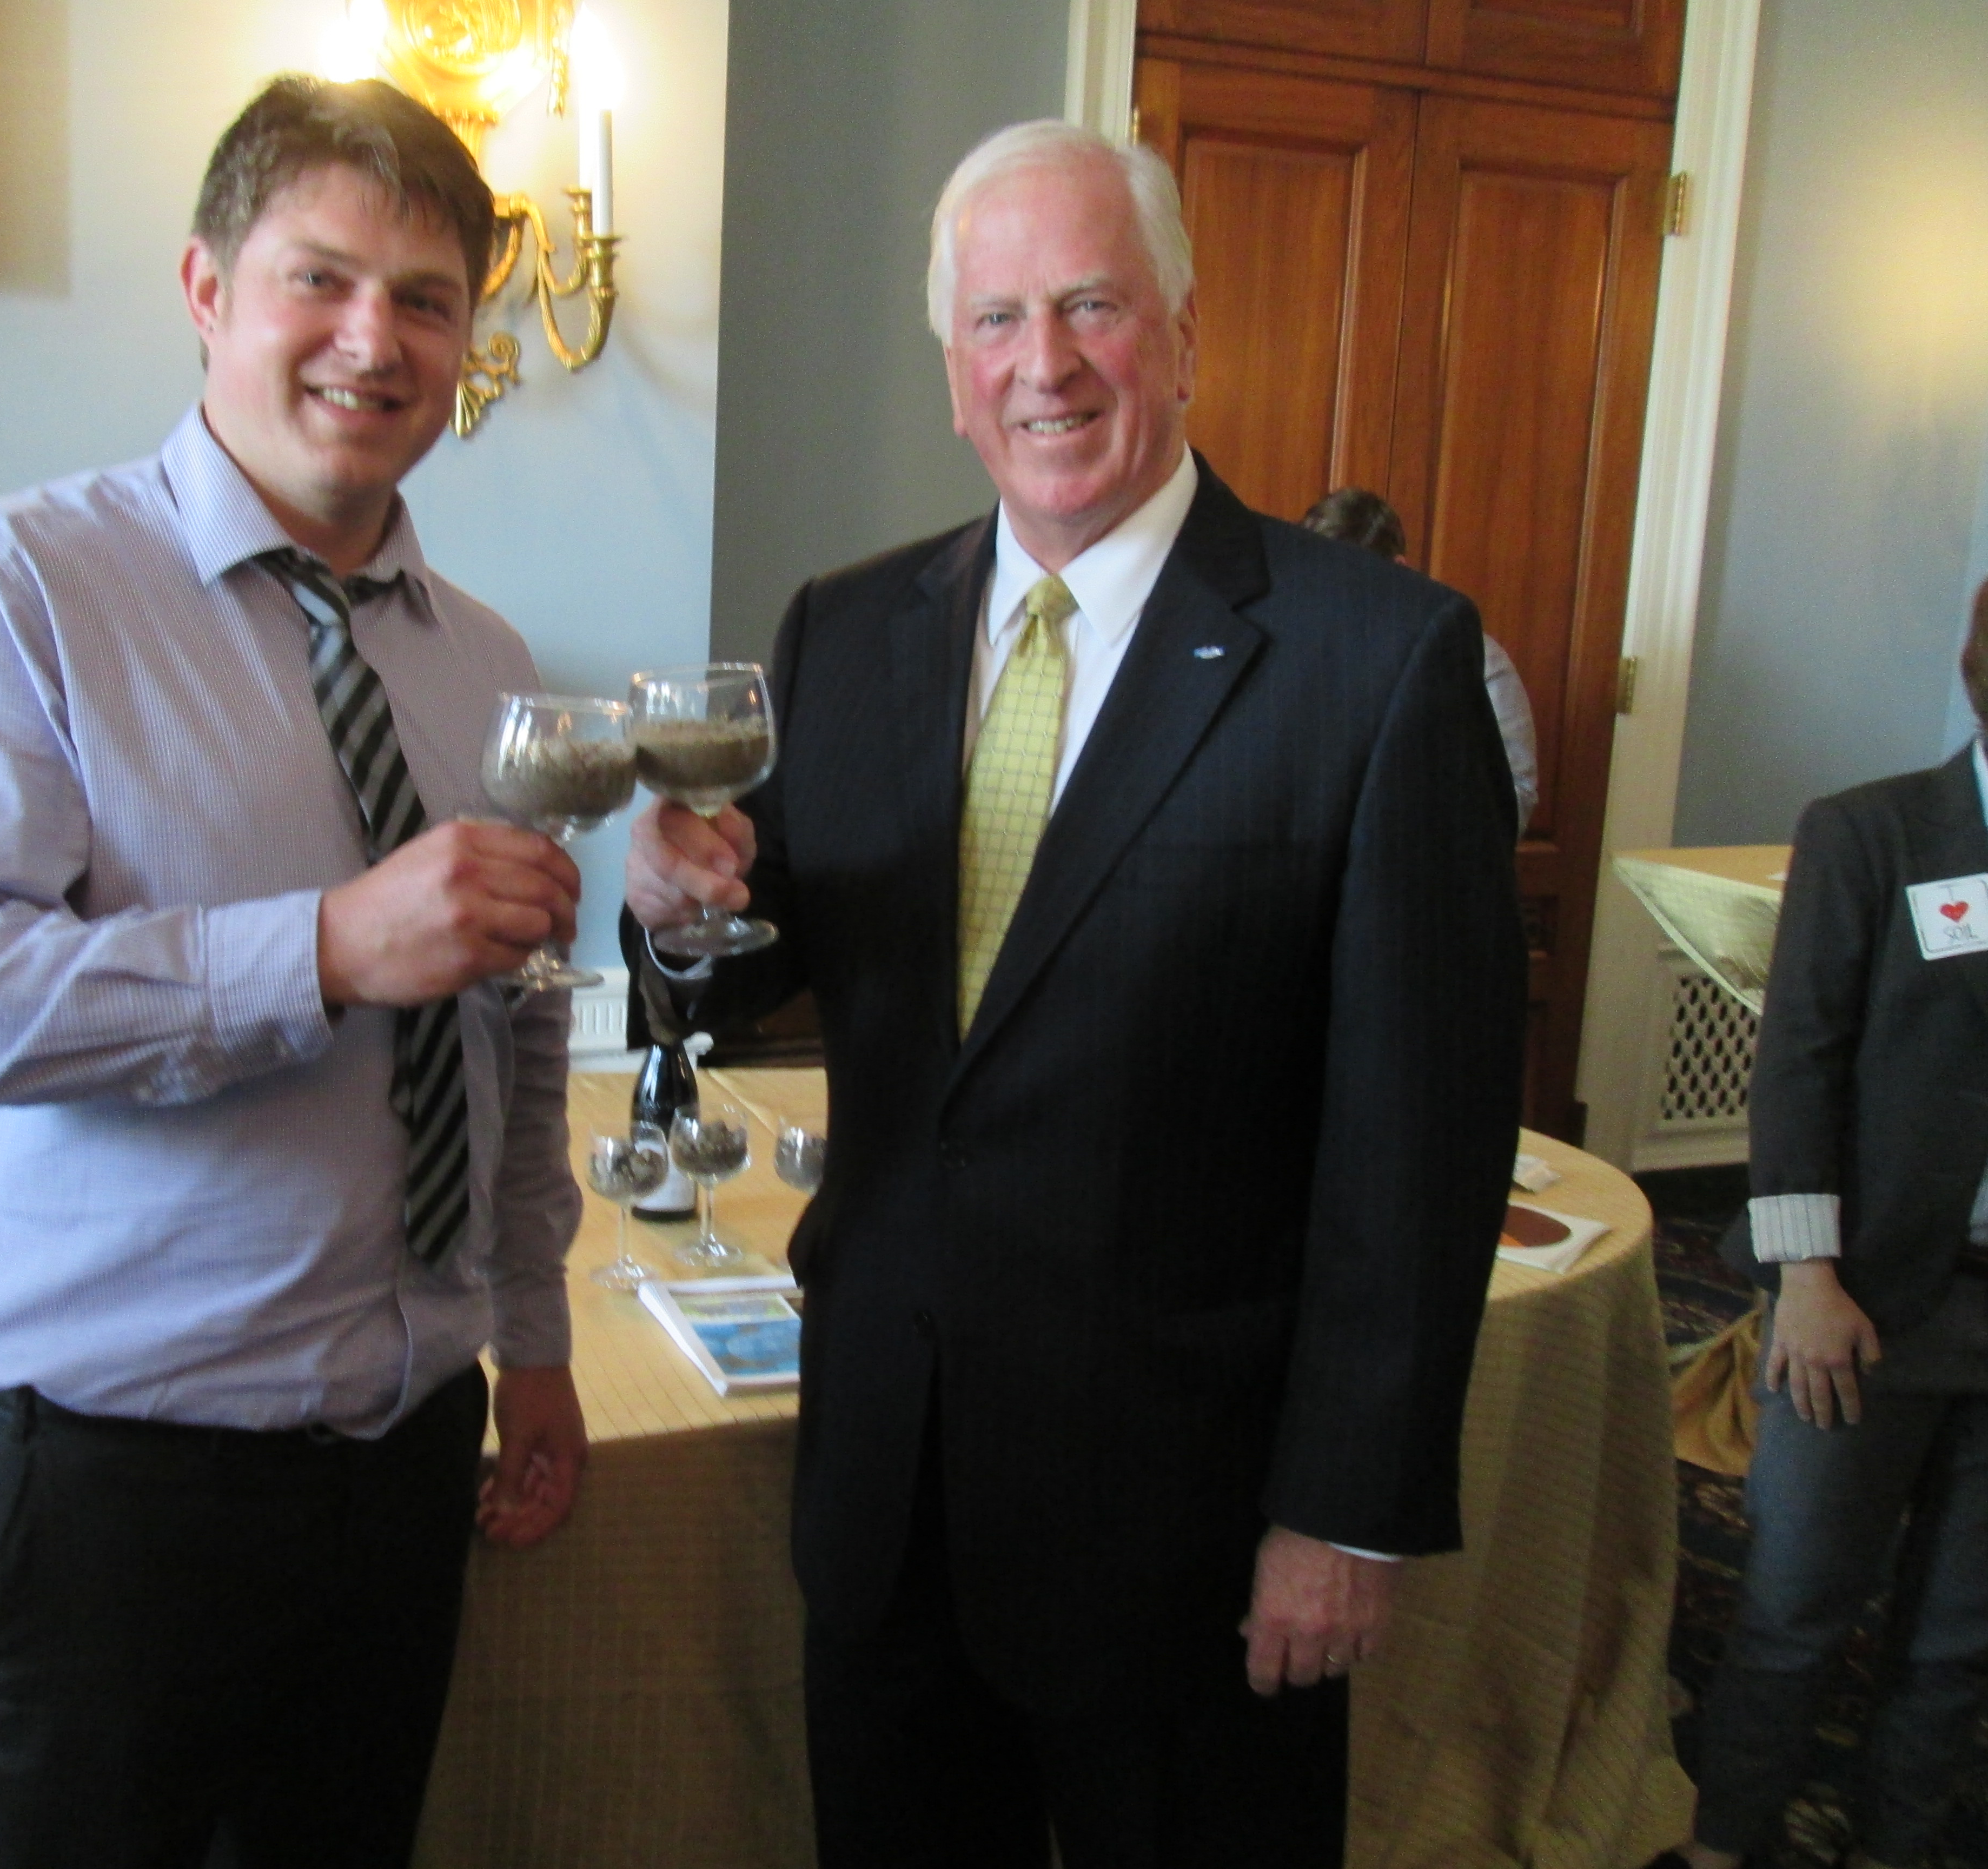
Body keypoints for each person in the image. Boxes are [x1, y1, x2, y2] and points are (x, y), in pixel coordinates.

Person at [624, 120, 1525, 1865]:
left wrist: (1341, 1509)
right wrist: (671, 917)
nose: (1042, 361)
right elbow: (743, 970)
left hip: (1188, 1539)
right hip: (891, 1503)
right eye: (994, 319)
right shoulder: (846, 627)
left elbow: (1416, 1152)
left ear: (1183, 335)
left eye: (1090, 305)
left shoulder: (1377, 661)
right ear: (950, 373)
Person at [0, 77, 591, 1869]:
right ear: (202, 288)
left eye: (424, 297)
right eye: (318, 278)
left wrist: (531, 1339)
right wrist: (317, 948)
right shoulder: (11, 590)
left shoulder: (485, 663)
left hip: (399, 1479)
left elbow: (516, 1030)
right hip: (98, 1501)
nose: (370, 338)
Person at [1666, 579, 1988, 1869]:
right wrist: (1807, 1273)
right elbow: (1796, 1065)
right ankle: (1729, 1838)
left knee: (1962, 1635)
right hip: (1861, 1301)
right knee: (1799, 1606)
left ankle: (1904, 1841)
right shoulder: (1876, 833)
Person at [1300, 486, 1541, 837]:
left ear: (1400, 571)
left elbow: (1513, 800)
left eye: (1352, 585)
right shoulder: (1286, 659)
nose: (1336, 603)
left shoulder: (1477, 660)